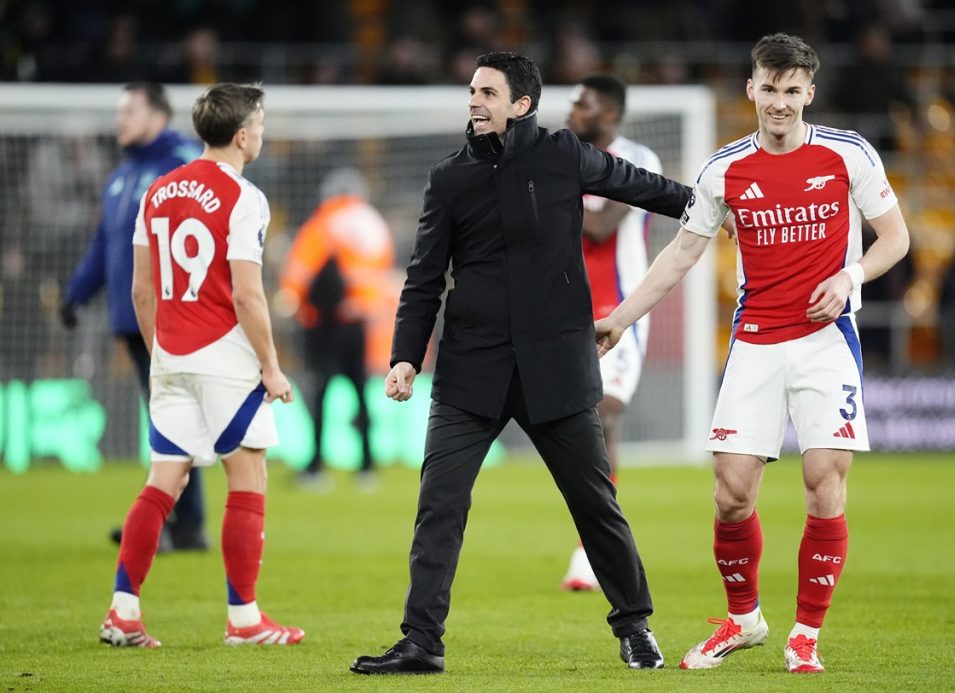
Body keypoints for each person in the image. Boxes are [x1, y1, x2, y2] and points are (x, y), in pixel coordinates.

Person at [349, 51, 692, 676]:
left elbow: (643, 188)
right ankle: (422, 642)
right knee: (439, 507)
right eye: (472, 91)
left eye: (487, 92)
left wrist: (714, 206)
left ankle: (634, 626)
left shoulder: (563, 154)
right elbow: (423, 278)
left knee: (594, 503)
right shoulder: (449, 177)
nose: (474, 101)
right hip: (469, 372)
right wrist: (404, 355)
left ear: (521, 105)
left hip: (556, 367)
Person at [594, 33, 910, 674]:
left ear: (809, 94)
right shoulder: (723, 170)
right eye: (770, 88)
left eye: (793, 91)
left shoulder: (850, 154)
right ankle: (744, 620)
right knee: (732, 494)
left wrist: (850, 278)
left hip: (827, 344)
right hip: (756, 342)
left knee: (825, 484)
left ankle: (805, 635)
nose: (781, 102)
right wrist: (622, 318)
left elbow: (896, 239)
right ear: (751, 89)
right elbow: (682, 253)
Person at [98, 83, 303, 648]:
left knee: (163, 479)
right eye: (259, 125)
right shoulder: (244, 197)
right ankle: (244, 619)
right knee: (249, 474)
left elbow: (142, 291)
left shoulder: (158, 190)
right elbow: (246, 295)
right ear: (242, 135)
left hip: (169, 354)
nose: (261, 134)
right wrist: (271, 366)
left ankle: (123, 610)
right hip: (225, 357)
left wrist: (162, 350)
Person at [60, 82, 208, 552]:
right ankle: (188, 525)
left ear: (158, 115)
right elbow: (105, 246)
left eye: (129, 111)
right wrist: (77, 294)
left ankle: (163, 522)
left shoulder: (184, 164)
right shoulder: (123, 176)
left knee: (169, 418)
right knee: (169, 417)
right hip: (130, 317)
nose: (119, 120)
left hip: (172, 314)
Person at [560, 74, 662, 592]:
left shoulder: (638, 160)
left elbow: (600, 227)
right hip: (558, 311)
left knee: (604, 416)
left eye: (584, 103)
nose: (572, 109)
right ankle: (593, 540)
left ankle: (591, 553)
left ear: (611, 116)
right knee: (571, 429)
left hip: (617, 313)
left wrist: (546, 190)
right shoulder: (558, 155)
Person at [279, 168, 395, 489]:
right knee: (361, 392)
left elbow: (298, 272)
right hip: (359, 322)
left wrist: (293, 303)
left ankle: (316, 466)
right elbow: (380, 275)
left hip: (323, 323)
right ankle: (367, 465)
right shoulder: (374, 223)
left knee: (320, 392)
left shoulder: (324, 222)